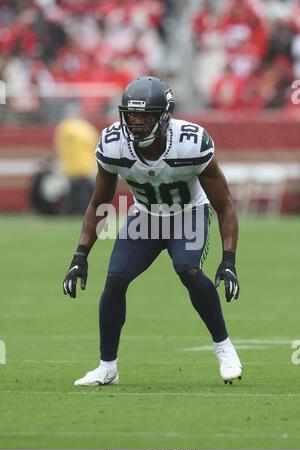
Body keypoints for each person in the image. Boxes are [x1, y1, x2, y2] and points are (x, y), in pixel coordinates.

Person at [63, 76, 243, 386]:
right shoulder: (113, 143)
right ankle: (108, 367)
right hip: (146, 216)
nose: (136, 122)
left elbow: (225, 205)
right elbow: (98, 204)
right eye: (131, 115)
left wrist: (229, 260)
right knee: (115, 279)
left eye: (145, 115)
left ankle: (224, 346)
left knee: (186, 268)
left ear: (163, 116)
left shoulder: (190, 142)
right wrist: (80, 254)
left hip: (188, 214)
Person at [55, 105, 98, 215]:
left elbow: (59, 146)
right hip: (88, 164)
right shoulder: (87, 127)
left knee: (74, 193)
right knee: (84, 192)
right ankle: (83, 212)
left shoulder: (65, 126)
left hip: (73, 166)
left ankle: (73, 212)